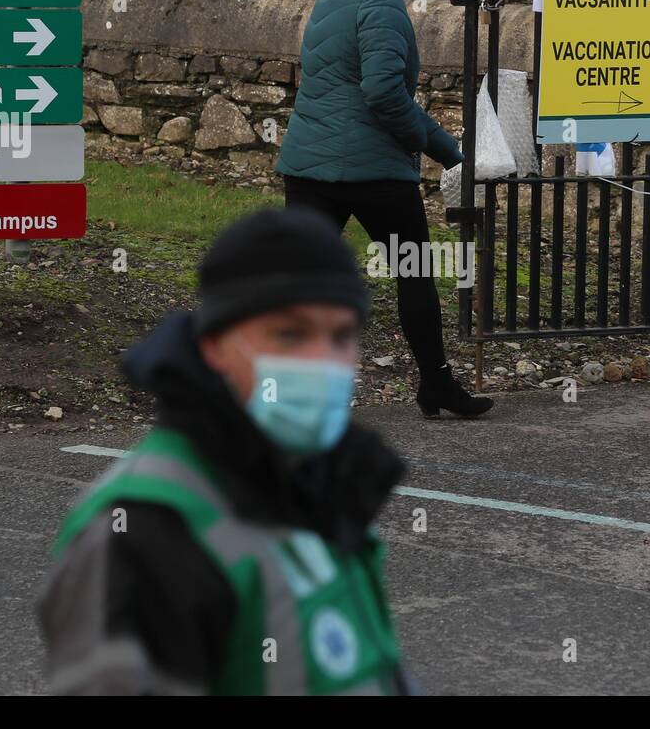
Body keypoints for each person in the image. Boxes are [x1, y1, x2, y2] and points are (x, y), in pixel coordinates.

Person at [37, 208, 418, 695]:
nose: (324, 361)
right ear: (215, 345)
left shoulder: (317, 480)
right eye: (289, 334)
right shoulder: (143, 528)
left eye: (342, 336)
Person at [277, 0, 493, 420]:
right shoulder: (380, 2)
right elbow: (383, 93)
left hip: (309, 165)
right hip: (371, 171)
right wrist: (443, 148)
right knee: (414, 273)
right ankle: (436, 384)